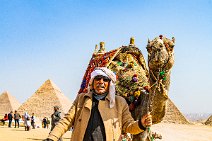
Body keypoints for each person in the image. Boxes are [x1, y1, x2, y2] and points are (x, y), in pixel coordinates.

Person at [44, 67, 152, 141]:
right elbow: (66, 121)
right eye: (98, 79)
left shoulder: (119, 102)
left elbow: (128, 126)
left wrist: (141, 124)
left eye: (105, 79)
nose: (101, 82)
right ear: (92, 82)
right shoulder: (81, 99)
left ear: (110, 84)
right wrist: (52, 137)